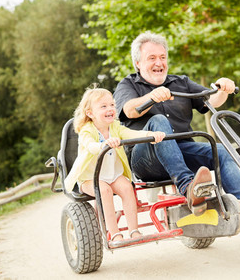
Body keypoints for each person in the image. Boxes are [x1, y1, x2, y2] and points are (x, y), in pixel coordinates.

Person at [113, 31, 240, 246]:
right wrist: (151, 97)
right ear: (138, 63)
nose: (159, 63)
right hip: (146, 156)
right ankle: (188, 188)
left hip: (182, 151)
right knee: (158, 122)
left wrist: (222, 88)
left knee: (220, 150)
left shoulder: (180, 82)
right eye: (152, 58)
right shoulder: (128, 85)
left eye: (162, 57)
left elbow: (211, 100)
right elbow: (128, 110)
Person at [64, 84, 165, 242]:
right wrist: (103, 145)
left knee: (127, 187)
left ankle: (134, 231)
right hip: (90, 178)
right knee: (104, 191)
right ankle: (115, 232)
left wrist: (150, 134)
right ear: (90, 113)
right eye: (103, 106)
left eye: (112, 104)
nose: (110, 108)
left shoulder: (115, 127)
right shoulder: (87, 130)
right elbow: (90, 146)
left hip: (112, 174)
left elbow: (131, 133)